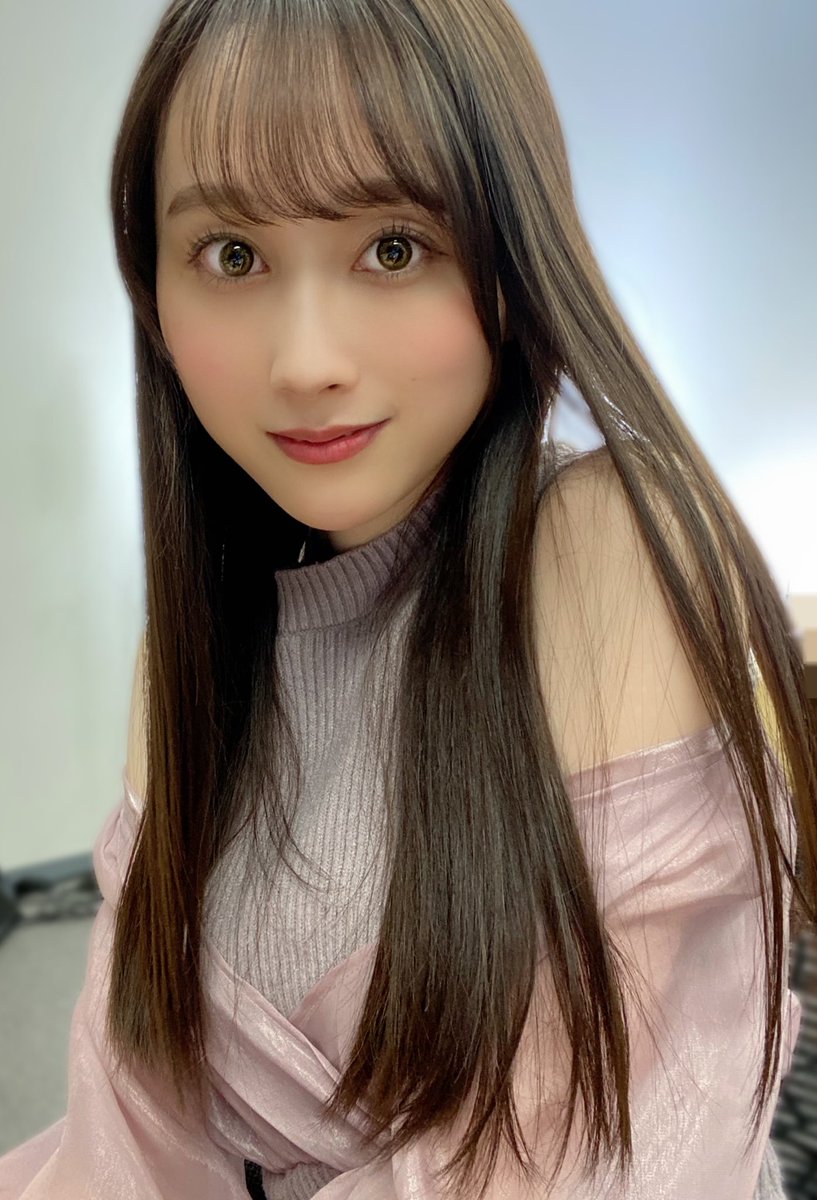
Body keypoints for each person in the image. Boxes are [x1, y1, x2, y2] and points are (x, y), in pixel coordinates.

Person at [1, 0, 814, 1196]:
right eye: (232, 255)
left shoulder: (605, 547)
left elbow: (596, 1158)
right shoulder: (191, 650)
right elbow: (127, 1139)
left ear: (511, 256)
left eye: (392, 247)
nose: (305, 362)